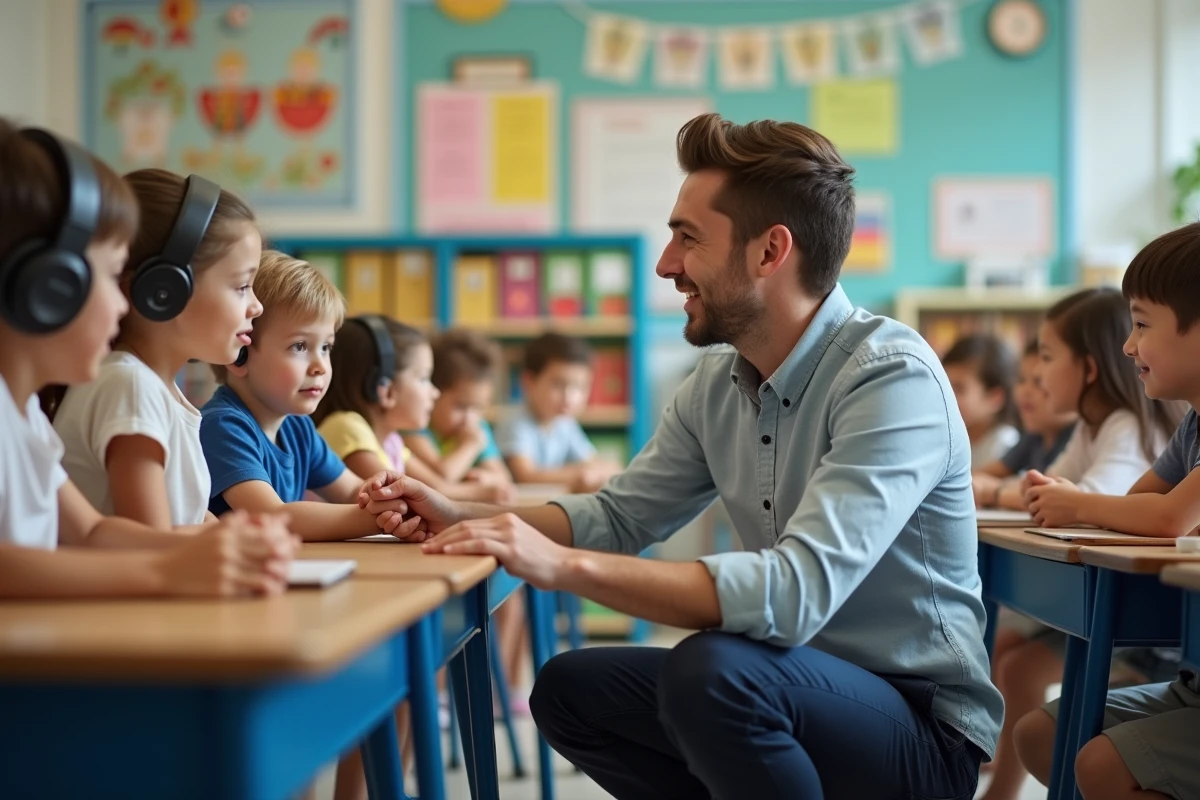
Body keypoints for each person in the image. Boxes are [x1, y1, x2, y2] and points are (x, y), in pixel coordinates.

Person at [365, 113, 1002, 799]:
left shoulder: (889, 377)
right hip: (790, 683)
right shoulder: (715, 384)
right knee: (570, 690)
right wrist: (463, 513)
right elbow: (617, 515)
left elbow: (792, 593)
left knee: (711, 672)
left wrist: (560, 565)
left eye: (686, 238)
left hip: (917, 726)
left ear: (769, 252)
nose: (667, 264)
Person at [0, 119, 294, 598]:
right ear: (52, 287)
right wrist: (167, 570)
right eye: (110, 276)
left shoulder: (23, 415)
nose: (122, 302)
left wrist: (225, 544)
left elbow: (92, 532)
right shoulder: (119, 385)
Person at [1013, 223, 1200, 800]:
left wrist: (1075, 502)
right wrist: (1091, 505)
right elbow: (1141, 502)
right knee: (1044, 737)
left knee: (1099, 766)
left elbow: (1171, 519)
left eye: (1142, 325)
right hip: (1192, 685)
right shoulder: (1193, 422)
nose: (1128, 346)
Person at [52, 169, 261, 529]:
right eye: (241, 286)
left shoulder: (157, 389)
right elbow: (154, 542)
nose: (256, 306)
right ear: (165, 291)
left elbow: (191, 521)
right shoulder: (129, 387)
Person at [199, 251, 419, 541]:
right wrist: (376, 519)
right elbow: (273, 516)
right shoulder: (223, 426)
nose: (320, 366)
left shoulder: (297, 427)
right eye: (300, 346)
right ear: (240, 354)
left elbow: (353, 492)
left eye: (326, 347)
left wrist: (384, 497)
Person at [496, 332, 622, 493]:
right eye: (558, 385)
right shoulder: (515, 422)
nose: (569, 398)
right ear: (529, 382)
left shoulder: (564, 423)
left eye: (579, 387)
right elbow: (527, 475)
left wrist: (595, 470)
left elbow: (595, 462)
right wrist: (583, 472)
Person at [973, 340, 1076, 510]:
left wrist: (994, 491)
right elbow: (983, 474)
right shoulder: (1034, 437)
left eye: (1038, 381)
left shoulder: (1076, 436)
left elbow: (1049, 497)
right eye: (1021, 380)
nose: (1024, 391)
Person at [943, 334, 1021, 469]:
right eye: (944, 385)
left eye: (959, 388)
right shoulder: (950, 440)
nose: (945, 396)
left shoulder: (1006, 447)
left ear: (995, 398)